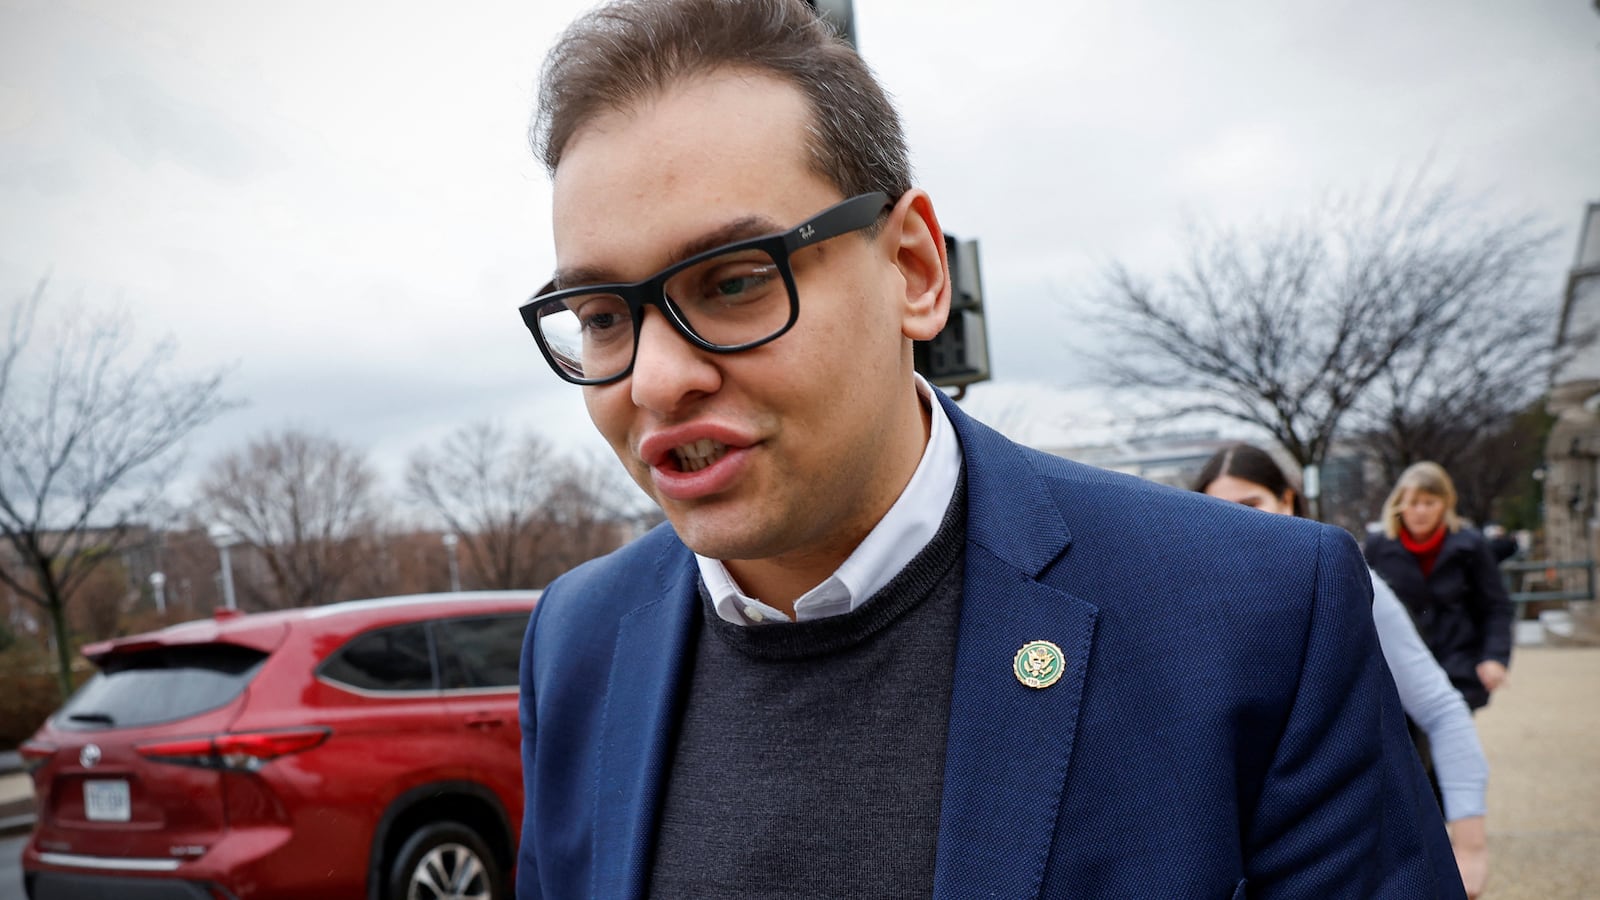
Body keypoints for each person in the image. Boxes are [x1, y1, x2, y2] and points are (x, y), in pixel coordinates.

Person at [515, 1, 1464, 896]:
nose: (654, 381)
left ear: (915, 272)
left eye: (732, 282)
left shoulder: (1255, 619)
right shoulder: (577, 642)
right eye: (602, 317)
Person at [1196, 443, 1490, 898]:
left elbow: (1441, 708)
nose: (1235, 523)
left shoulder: (1342, 582)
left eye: (1250, 505)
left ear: (1287, 500)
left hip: (1345, 836)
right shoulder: (1194, 603)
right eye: (1216, 510)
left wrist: (1469, 846)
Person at [1364, 462, 1516, 713]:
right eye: (1414, 503)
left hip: (1457, 664)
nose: (1421, 511)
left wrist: (1494, 657)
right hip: (1399, 669)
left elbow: (1495, 606)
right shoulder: (1378, 547)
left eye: (1430, 502)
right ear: (1400, 504)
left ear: (1445, 504)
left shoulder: (1471, 546)